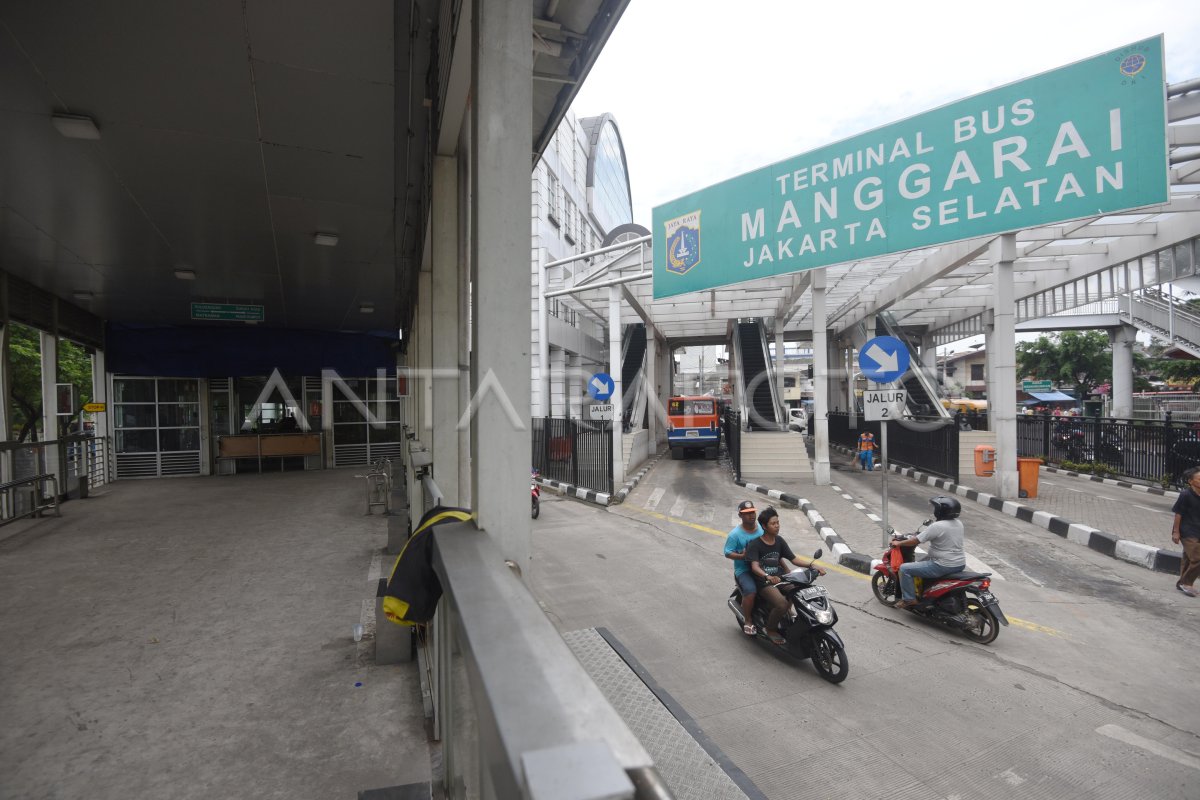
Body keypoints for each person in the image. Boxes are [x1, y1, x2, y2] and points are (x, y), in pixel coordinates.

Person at [745, 507, 825, 644]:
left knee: (799, 592)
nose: (777, 526)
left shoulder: (779, 541)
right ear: (764, 526)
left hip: (781, 578)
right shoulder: (755, 544)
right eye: (773, 523)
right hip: (765, 582)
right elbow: (755, 567)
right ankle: (770, 629)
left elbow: (793, 559)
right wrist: (767, 576)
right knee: (781, 604)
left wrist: (812, 565)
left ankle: (787, 615)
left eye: (778, 523)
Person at [892, 496, 967, 609]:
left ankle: (909, 599)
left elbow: (915, 540)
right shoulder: (958, 523)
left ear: (940, 511)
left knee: (904, 569)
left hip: (942, 565)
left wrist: (899, 543)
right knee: (921, 562)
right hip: (959, 563)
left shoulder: (937, 526)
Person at [724, 500, 763, 634]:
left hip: (763, 567)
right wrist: (742, 556)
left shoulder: (762, 530)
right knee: (751, 591)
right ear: (740, 515)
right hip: (744, 570)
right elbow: (727, 553)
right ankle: (748, 620)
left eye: (752, 512)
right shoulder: (735, 535)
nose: (751, 515)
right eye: (747, 513)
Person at [1170, 467, 1200, 597]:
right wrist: (1176, 532)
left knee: (1188, 558)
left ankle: (1181, 583)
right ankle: (1187, 583)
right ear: (1190, 481)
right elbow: (1178, 514)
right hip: (1187, 531)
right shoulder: (1185, 495)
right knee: (1198, 557)